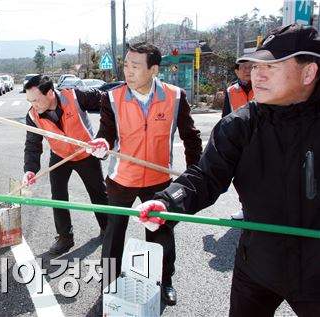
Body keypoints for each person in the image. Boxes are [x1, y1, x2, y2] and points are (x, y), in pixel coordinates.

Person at [136, 24, 320, 316]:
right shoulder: (240, 125)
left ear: (308, 72)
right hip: (257, 264)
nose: (256, 74)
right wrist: (167, 201)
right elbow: (205, 177)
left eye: (270, 66)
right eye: (256, 65)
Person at [89, 42, 203, 306]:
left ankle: (165, 281)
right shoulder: (112, 98)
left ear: (153, 69)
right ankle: (109, 284)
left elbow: (191, 136)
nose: (128, 71)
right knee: (113, 234)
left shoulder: (175, 96)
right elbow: (106, 134)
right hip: (122, 179)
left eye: (135, 66)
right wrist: (102, 146)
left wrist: (194, 174)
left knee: (161, 234)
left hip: (158, 180)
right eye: (126, 65)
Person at [23, 75, 109, 255]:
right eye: (30, 100)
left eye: (36, 100)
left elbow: (109, 104)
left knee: (98, 192)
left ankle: (107, 228)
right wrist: (30, 170)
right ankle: (65, 236)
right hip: (60, 155)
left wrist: (103, 138)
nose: (34, 105)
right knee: (58, 195)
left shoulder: (76, 96)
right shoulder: (32, 115)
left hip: (86, 153)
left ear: (51, 93)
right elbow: (33, 145)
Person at [223, 61, 254, 220]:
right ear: (236, 72)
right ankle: (245, 207)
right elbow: (225, 117)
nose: (248, 70)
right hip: (239, 140)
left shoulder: (263, 87)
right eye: (244, 68)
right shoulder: (230, 91)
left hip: (260, 139)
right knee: (241, 176)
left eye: (251, 67)